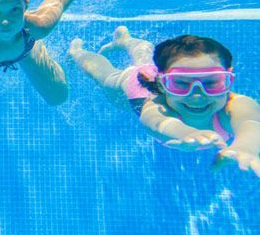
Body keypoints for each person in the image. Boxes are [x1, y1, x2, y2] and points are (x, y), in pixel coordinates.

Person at [69, 29, 260, 177]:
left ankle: (125, 40)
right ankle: (78, 53)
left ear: (229, 80)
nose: (197, 95)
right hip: (139, 88)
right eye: (181, 84)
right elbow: (159, 123)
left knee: (146, 59)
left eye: (211, 82)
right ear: (162, 83)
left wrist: (245, 147)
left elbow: (252, 124)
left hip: (159, 74)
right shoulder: (156, 106)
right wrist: (188, 133)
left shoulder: (235, 105)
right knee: (106, 77)